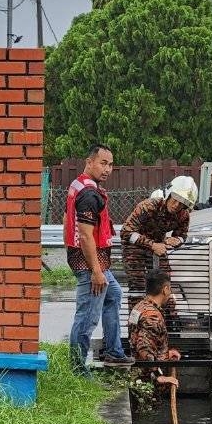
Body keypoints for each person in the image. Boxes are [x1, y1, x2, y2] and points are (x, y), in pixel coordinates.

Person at [65, 144, 133, 375]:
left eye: (110, 164)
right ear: (89, 162)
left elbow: (70, 220)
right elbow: (85, 235)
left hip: (96, 261)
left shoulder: (79, 184)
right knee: (87, 316)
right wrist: (95, 271)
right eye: (103, 163)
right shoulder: (89, 194)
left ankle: (114, 351)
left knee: (114, 294)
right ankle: (77, 369)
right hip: (89, 263)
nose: (107, 169)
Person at [120, 175, 197, 316]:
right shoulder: (148, 206)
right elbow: (126, 232)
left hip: (158, 248)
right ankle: (136, 324)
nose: (176, 206)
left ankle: (161, 322)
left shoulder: (183, 215)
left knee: (164, 283)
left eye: (182, 204)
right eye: (176, 200)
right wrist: (152, 245)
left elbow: (182, 235)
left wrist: (177, 240)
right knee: (137, 286)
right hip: (135, 248)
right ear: (169, 195)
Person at [128, 269, 181, 389]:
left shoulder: (139, 307)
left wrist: (166, 354)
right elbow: (144, 347)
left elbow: (137, 340)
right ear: (165, 289)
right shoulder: (152, 316)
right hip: (146, 380)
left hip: (137, 373)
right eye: (170, 288)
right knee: (147, 407)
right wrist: (158, 376)